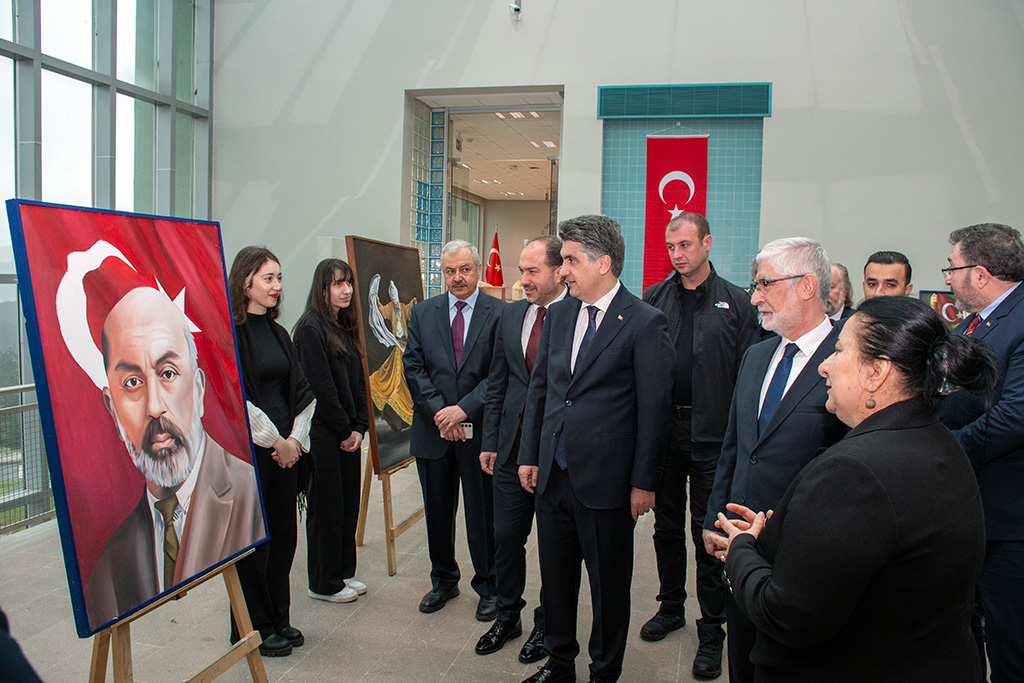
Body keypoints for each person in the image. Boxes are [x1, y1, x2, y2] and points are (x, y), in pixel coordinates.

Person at [715, 296, 994, 682]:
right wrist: (789, 533)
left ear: (876, 372)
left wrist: (741, 549)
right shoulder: (936, 439)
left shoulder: (854, 472)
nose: (824, 366)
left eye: (840, 351)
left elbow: (787, 615)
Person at [519, 215, 673, 683]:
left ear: (602, 263)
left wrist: (644, 482)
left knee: (608, 587)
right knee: (556, 580)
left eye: (569, 260)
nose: (562, 270)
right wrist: (530, 455)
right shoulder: (561, 314)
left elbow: (654, 410)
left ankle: (604, 672)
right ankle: (559, 663)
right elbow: (542, 391)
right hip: (553, 476)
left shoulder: (645, 322)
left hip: (608, 482)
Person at [78, 250, 264, 633]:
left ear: (199, 390)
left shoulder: (248, 494)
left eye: (167, 373)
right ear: (112, 410)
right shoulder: (108, 568)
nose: (154, 407)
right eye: (132, 382)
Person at [702, 237, 846, 683]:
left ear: (807, 286)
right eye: (754, 285)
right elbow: (735, 446)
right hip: (742, 544)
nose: (755, 297)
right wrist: (715, 517)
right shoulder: (756, 355)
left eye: (765, 284)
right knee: (743, 659)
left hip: (806, 551)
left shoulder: (846, 359)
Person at [638, 213, 762, 679]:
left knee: (708, 532)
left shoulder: (737, 301)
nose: (678, 254)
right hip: (664, 432)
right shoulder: (654, 298)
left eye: (686, 245)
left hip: (715, 435)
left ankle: (712, 629)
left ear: (707, 243)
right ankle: (670, 606)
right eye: (671, 247)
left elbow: (749, 373)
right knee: (666, 527)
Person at [475, 235, 567, 663]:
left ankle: (549, 623)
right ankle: (507, 614)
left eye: (533, 271)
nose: (524, 280)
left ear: (558, 271)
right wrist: (491, 441)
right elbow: (498, 382)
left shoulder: (577, 316)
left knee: (553, 546)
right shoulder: (511, 315)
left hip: (554, 455)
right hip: (510, 448)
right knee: (506, 536)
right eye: (521, 271)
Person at [939, 223, 1024, 682]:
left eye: (952, 268)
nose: (949, 277)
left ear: (980, 273)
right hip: (971, 509)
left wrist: (946, 450)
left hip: (1008, 520)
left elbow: (1015, 417)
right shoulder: (976, 322)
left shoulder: (1020, 321)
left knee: (1010, 642)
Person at [403, 240, 505, 620]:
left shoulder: (501, 313)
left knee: (483, 515)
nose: (457, 277)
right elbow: (413, 368)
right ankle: (443, 580)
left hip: (480, 434)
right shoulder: (422, 313)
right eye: (450, 271)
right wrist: (441, 414)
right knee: (437, 513)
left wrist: (463, 409)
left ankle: (489, 585)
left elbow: (501, 372)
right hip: (434, 433)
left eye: (464, 269)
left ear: (477, 270)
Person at [229, 246, 316, 657]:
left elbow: (302, 391)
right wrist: (275, 441)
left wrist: (294, 440)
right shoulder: (233, 334)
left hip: (287, 452)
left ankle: (279, 617)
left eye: (279, 277)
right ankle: (254, 626)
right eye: (268, 278)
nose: (277, 285)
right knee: (253, 543)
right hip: (253, 454)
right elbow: (236, 400)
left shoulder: (280, 333)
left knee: (283, 536)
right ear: (245, 281)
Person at [293, 259, 370, 604]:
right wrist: (344, 429)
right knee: (327, 507)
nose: (346, 290)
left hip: (347, 432)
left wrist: (360, 427)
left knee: (347, 504)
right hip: (324, 433)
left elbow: (358, 381)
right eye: (338, 283)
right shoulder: (310, 329)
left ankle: (342, 572)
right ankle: (323, 582)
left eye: (348, 283)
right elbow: (321, 388)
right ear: (322, 289)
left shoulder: (344, 325)